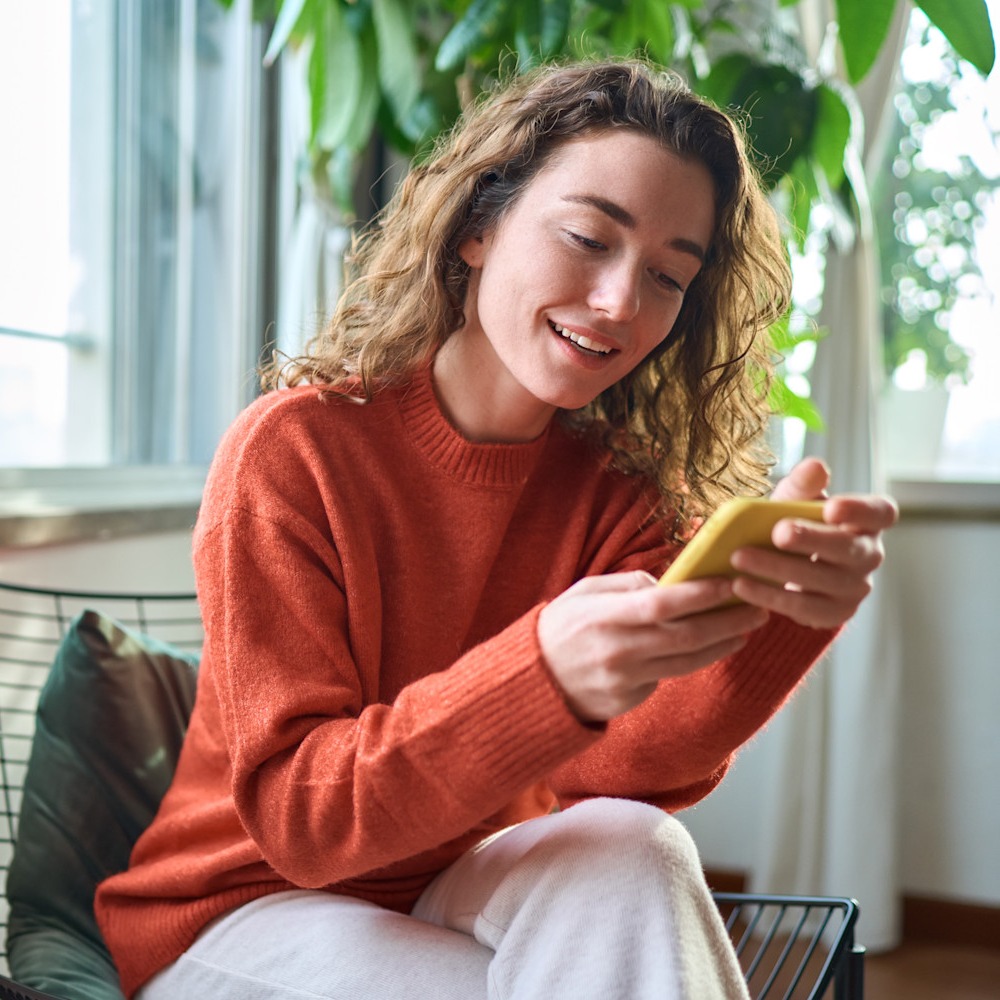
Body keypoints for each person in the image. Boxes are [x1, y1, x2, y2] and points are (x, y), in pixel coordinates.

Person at [94, 58, 897, 999]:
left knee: (634, 846)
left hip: (455, 884)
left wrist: (780, 617)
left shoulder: (618, 492)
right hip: (245, 904)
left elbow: (625, 770)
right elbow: (302, 820)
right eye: (590, 238)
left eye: (670, 278)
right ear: (478, 227)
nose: (621, 304)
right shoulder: (294, 453)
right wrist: (541, 670)